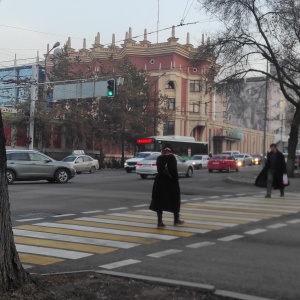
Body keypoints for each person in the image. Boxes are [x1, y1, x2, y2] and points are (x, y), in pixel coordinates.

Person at [149, 144, 184, 229]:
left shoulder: (159, 158)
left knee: (159, 201)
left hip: (159, 182)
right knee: (175, 200)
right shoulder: (172, 158)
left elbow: (159, 169)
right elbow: (173, 170)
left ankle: (160, 222)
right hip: (170, 182)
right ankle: (176, 220)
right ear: (171, 151)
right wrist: (175, 180)